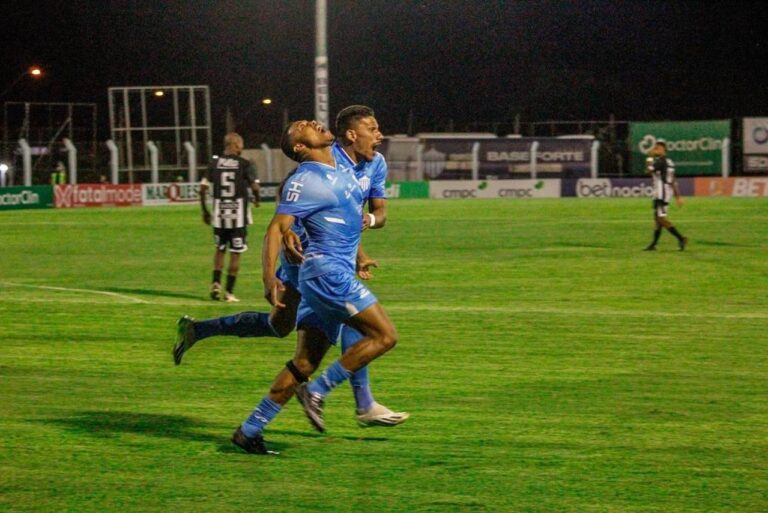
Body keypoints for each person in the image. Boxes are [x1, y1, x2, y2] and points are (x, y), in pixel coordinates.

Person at [174, 106, 408, 428]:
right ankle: (355, 401)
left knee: (283, 326)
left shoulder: (375, 164)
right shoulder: (327, 157)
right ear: (353, 134)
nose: (380, 135)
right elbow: (291, 195)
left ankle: (200, 332)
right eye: (373, 128)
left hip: (331, 256)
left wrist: (359, 248)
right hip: (304, 257)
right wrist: (287, 236)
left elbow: (364, 214)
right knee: (346, 322)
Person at [230, 119, 401, 454]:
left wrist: (359, 255)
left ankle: (249, 430)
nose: (313, 123)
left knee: (304, 364)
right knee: (384, 336)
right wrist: (270, 282)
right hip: (326, 275)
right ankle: (319, 391)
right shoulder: (306, 178)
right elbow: (276, 228)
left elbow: (345, 223)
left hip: (332, 273)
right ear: (299, 147)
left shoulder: (341, 171)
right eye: (303, 126)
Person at [199, 132, 260, 302]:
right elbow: (254, 186)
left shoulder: (214, 163)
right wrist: (257, 199)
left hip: (219, 215)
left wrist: (205, 211)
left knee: (219, 249)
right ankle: (229, 293)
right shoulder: (244, 164)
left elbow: (203, 188)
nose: (242, 148)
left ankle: (216, 284)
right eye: (240, 144)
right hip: (238, 216)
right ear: (234, 145)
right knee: (236, 252)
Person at [643, 139, 688, 251]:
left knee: (661, 218)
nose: (655, 149)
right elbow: (673, 180)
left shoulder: (660, 161)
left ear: (663, 149)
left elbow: (648, 171)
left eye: (657, 148)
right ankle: (653, 244)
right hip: (665, 192)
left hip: (661, 192)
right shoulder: (669, 162)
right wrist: (677, 196)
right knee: (657, 218)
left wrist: (649, 157)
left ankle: (681, 238)